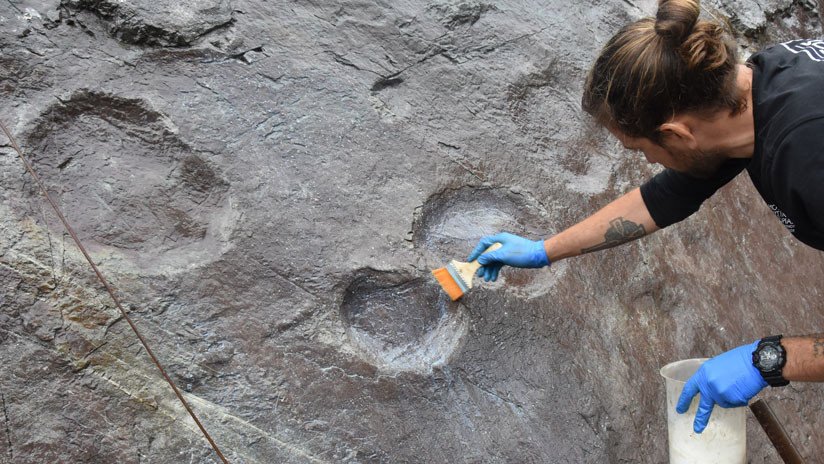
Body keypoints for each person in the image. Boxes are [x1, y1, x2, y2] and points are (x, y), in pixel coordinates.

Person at [467, 0, 824, 434]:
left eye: (642, 150)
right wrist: (545, 250)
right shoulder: (761, 82)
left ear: (675, 133)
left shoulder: (808, 158)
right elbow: (666, 197)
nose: (652, 162)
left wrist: (771, 358)